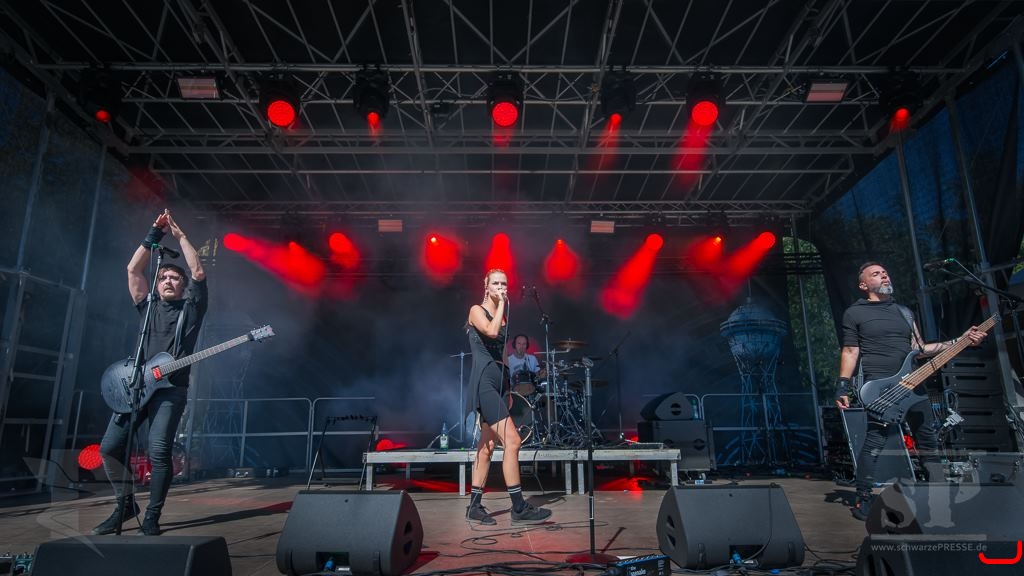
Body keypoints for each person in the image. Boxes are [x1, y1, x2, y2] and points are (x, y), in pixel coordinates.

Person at [834, 262, 985, 520]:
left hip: (913, 384)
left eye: (884, 272)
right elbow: (850, 351)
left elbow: (920, 349)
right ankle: (863, 498)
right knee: (875, 442)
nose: (884, 275)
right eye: (875, 274)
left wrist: (960, 340)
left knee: (928, 441)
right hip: (881, 386)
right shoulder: (855, 313)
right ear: (863, 285)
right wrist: (842, 385)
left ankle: (939, 498)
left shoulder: (904, 312)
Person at [93, 209, 207, 536]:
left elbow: (198, 272)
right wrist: (154, 234)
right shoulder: (148, 307)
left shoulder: (191, 310)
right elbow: (133, 269)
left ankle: (152, 516)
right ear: (157, 284)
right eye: (164, 277)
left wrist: (180, 236)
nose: (168, 281)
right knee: (109, 448)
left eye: (174, 278)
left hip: (170, 390)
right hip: (136, 386)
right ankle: (125, 505)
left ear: (182, 286)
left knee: (158, 451)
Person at [465, 269, 552, 525]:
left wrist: (508, 389)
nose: (501, 287)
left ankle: (474, 506)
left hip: (499, 383)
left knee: (487, 446)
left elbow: (502, 352)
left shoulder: (502, 318)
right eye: (496, 283)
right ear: (486, 286)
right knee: (512, 441)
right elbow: (491, 333)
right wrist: (502, 303)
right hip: (484, 382)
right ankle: (519, 507)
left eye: (504, 284)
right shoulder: (476, 310)